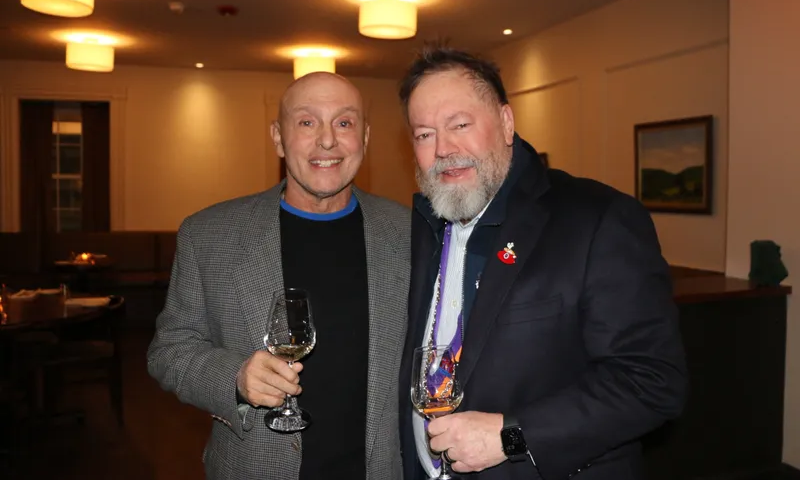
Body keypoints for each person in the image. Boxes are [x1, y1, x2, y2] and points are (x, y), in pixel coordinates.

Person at [397, 46, 687, 480]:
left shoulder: (597, 219)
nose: (443, 148)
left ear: (507, 123)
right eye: (424, 134)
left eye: (460, 124)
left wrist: (510, 436)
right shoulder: (422, 224)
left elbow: (652, 381)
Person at [148, 72, 410, 480]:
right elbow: (170, 351)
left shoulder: (409, 234)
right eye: (307, 122)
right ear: (277, 137)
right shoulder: (209, 235)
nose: (327, 140)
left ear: (366, 137)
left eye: (344, 122)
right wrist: (233, 377)